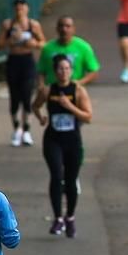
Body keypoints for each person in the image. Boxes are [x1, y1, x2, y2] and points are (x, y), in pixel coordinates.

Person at [33, 54, 93, 237]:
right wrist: (41, 117)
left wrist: (69, 106)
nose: (64, 72)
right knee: (56, 175)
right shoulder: (47, 90)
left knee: (71, 179)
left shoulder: (78, 91)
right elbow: (35, 106)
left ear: (71, 71)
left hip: (72, 140)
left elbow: (88, 117)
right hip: (53, 139)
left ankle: (70, 217)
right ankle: (58, 218)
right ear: (55, 71)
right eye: (60, 68)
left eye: (67, 68)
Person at [0, 0, 45, 147]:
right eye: (17, 6)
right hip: (13, 61)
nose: (20, 9)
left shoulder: (33, 25)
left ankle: (27, 129)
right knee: (15, 96)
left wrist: (34, 43)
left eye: (22, 6)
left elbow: (44, 43)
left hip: (27, 60)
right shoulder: (8, 24)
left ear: (27, 8)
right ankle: (16, 128)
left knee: (27, 95)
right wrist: (10, 41)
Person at [37, 16, 100, 87]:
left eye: (68, 26)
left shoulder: (83, 47)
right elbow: (41, 70)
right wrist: (41, 86)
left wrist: (79, 83)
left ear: (74, 29)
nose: (64, 29)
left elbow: (94, 71)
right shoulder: (47, 48)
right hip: (52, 91)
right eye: (61, 26)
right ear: (57, 29)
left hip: (75, 92)